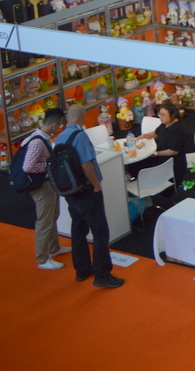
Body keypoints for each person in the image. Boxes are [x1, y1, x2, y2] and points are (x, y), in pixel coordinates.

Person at [55, 105, 124, 288]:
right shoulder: (80, 136)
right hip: (86, 190)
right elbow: (87, 165)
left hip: (70, 191)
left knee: (78, 229)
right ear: (83, 117)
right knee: (100, 231)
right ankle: (102, 274)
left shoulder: (60, 137)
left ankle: (82, 269)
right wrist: (96, 186)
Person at [21, 106, 70, 270]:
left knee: (52, 216)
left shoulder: (40, 137)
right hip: (42, 186)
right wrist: (49, 166)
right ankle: (42, 259)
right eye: (60, 125)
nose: (59, 128)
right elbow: (28, 167)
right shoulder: (37, 142)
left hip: (47, 185)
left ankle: (54, 247)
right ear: (55, 124)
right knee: (44, 222)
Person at [133, 102, 186, 186]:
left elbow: (173, 151)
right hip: (160, 154)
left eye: (163, 115)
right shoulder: (165, 123)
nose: (160, 117)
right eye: (160, 114)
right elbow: (156, 134)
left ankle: (144, 184)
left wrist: (156, 154)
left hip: (170, 162)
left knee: (139, 164)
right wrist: (145, 136)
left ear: (173, 115)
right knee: (138, 162)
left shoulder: (176, 130)